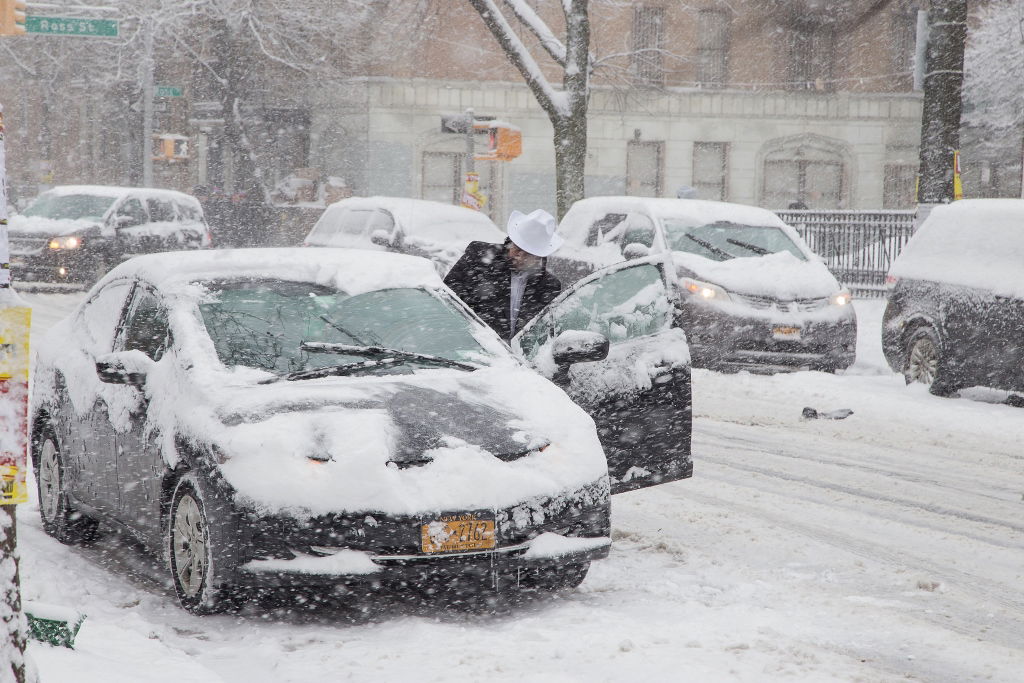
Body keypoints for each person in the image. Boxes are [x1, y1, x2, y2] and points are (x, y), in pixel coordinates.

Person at [445, 209, 564, 341]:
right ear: (510, 243)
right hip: (474, 349)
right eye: (517, 249)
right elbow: (447, 300)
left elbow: (546, 332)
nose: (520, 257)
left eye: (528, 254)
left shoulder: (549, 286)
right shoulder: (477, 261)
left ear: (538, 257)